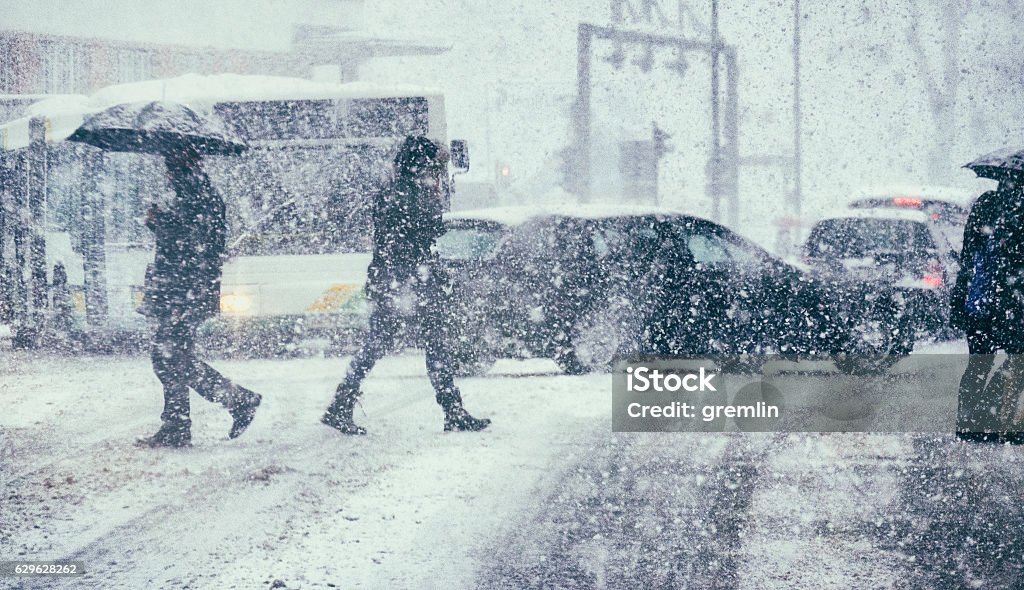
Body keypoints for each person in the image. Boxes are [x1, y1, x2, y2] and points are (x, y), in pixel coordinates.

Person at [321, 135, 490, 434]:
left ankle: (342, 404)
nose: (436, 174)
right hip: (405, 284)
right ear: (420, 165)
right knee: (418, 345)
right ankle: (452, 411)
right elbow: (417, 237)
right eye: (433, 168)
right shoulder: (406, 196)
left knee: (394, 344)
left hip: (399, 282)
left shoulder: (398, 192)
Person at [137, 145, 262, 448]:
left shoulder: (197, 195)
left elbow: (193, 245)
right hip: (185, 289)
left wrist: (161, 223)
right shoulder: (194, 193)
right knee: (173, 357)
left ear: (179, 165)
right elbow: (194, 242)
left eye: (169, 164)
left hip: (185, 291)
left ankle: (234, 402)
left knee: (169, 357)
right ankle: (182, 423)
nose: (166, 172)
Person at [950, 172, 1024, 442]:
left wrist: (960, 299)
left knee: (979, 364)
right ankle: (989, 417)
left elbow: (968, 254)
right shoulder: (1016, 210)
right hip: (1010, 303)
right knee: (1017, 362)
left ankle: (968, 423)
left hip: (979, 300)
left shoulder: (986, 204)